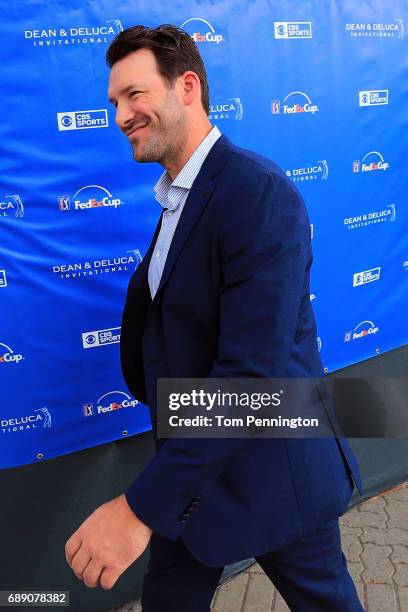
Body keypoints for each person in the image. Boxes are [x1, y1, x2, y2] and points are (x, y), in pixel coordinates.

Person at [65, 24, 364, 611]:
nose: (121, 115)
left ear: (187, 86)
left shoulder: (256, 192)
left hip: (273, 474)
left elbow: (252, 378)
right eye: (114, 103)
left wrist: (137, 508)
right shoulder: (179, 195)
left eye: (135, 94)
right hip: (190, 474)